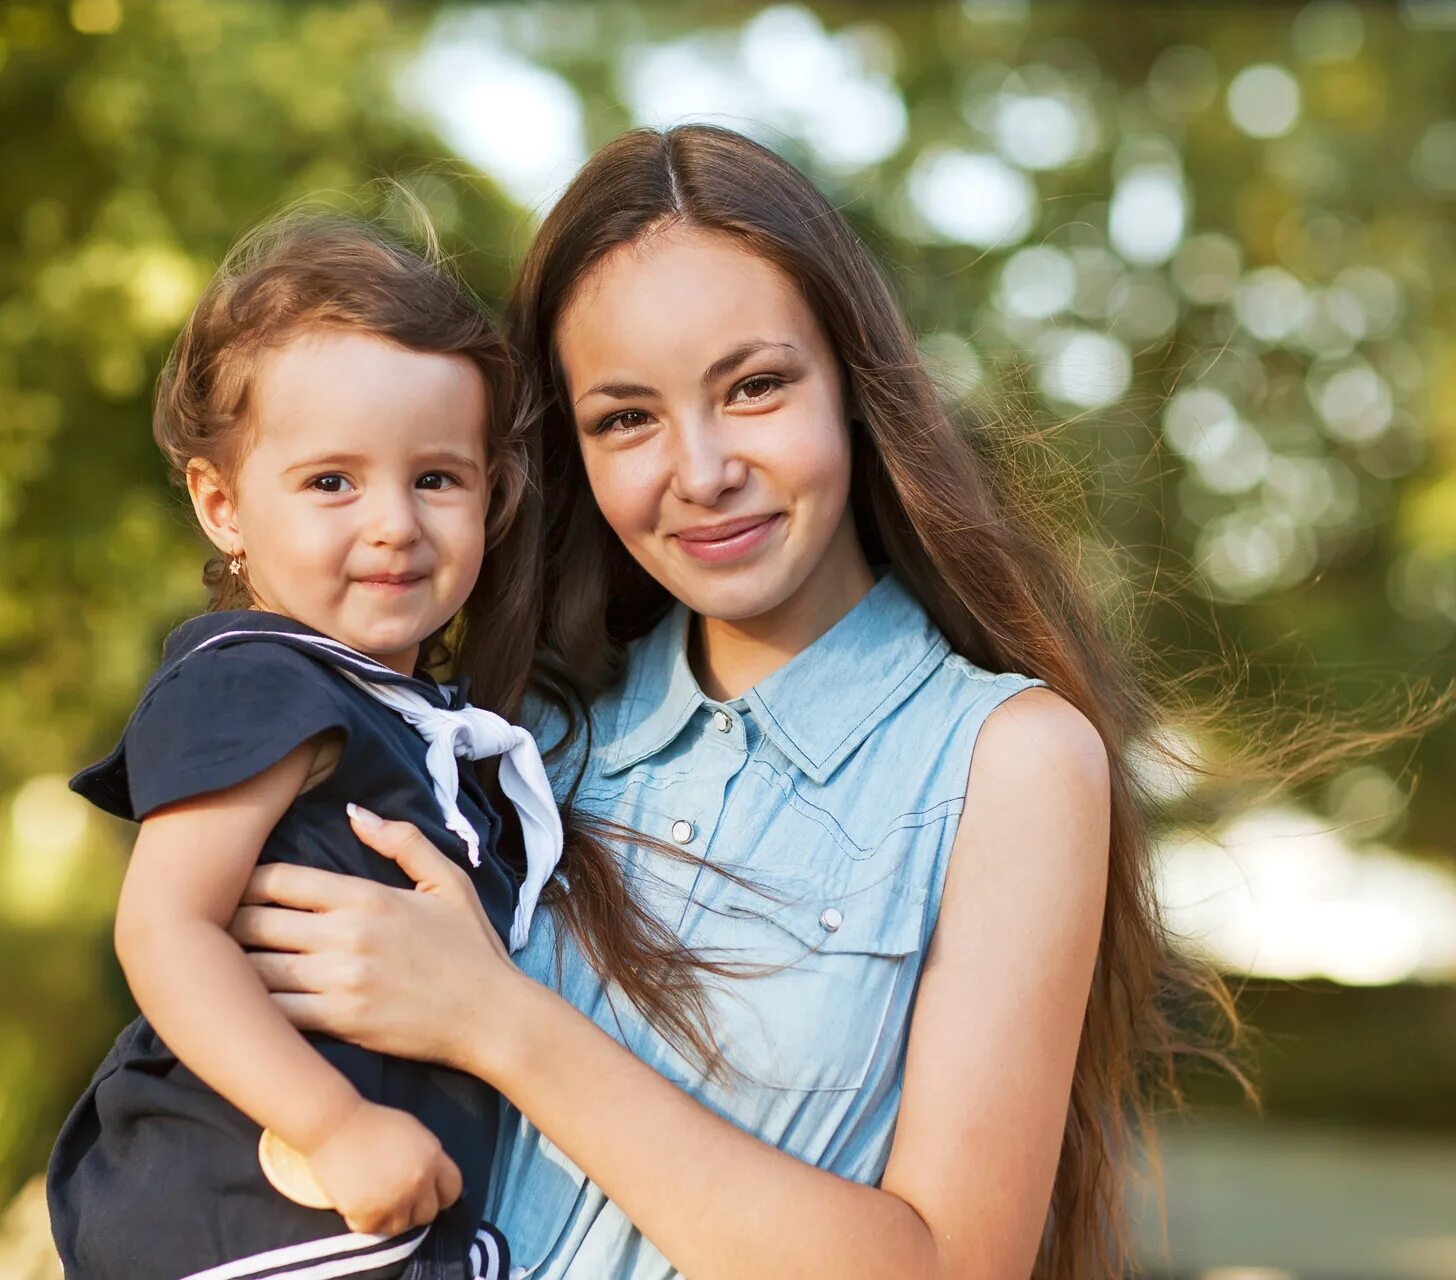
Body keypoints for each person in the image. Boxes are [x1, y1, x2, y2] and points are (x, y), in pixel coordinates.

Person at [224, 125, 1244, 1280]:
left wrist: (495, 1020)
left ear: (854, 386)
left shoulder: (1007, 760)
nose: (700, 470)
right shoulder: (512, 744)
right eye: (627, 418)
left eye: (754, 387)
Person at [46, 214, 557, 1280]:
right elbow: (165, 927)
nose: (393, 524)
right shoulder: (256, 680)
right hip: (249, 1217)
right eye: (333, 481)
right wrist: (330, 1122)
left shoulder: (408, 712)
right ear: (222, 503)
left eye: (436, 478)